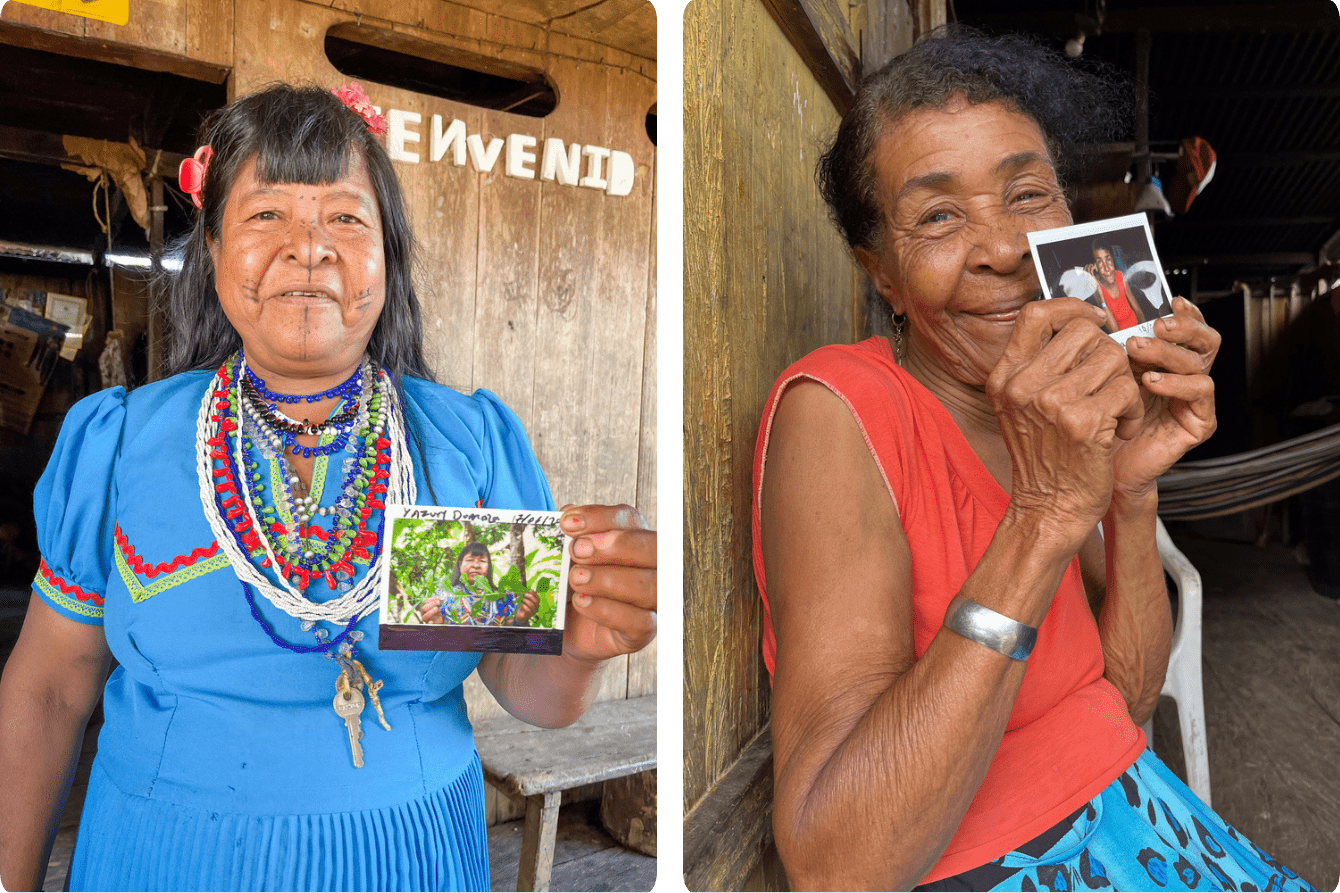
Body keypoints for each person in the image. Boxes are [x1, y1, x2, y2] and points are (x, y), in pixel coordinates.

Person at [0, 83, 656, 893]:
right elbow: (50, 688)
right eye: (266, 214)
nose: (308, 246)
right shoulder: (125, 442)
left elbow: (528, 687)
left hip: (410, 861)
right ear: (211, 248)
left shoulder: (461, 447)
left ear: (388, 257)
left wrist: (580, 645)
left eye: (346, 218)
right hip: (162, 859)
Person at [753, 29, 1314, 892]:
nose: (1006, 250)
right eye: (939, 216)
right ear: (883, 275)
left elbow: (1120, 705)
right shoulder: (839, 410)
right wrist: (1047, 518)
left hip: (1137, 818)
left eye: (1028, 195)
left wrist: (1129, 488)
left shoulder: (1064, 417)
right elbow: (840, 865)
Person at [418, 542, 540, 626]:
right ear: (460, 565)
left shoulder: (503, 597)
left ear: (489, 567)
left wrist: (521, 619)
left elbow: (512, 631)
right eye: (470, 560)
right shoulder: (443, 595)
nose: (475, 565)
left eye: (482, 561)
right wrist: (436, 625)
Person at [1086, 242, 1163, 331]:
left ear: (1113, 260)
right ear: (1095, 267)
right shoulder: (1095, 286)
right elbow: (1114, 330)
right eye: (1100, 262)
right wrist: (1101, 297)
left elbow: (1137, 310)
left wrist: (1144, 329)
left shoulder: (1120, 276)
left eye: (1108, 260)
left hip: (1136, 326)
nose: (1107, 268)